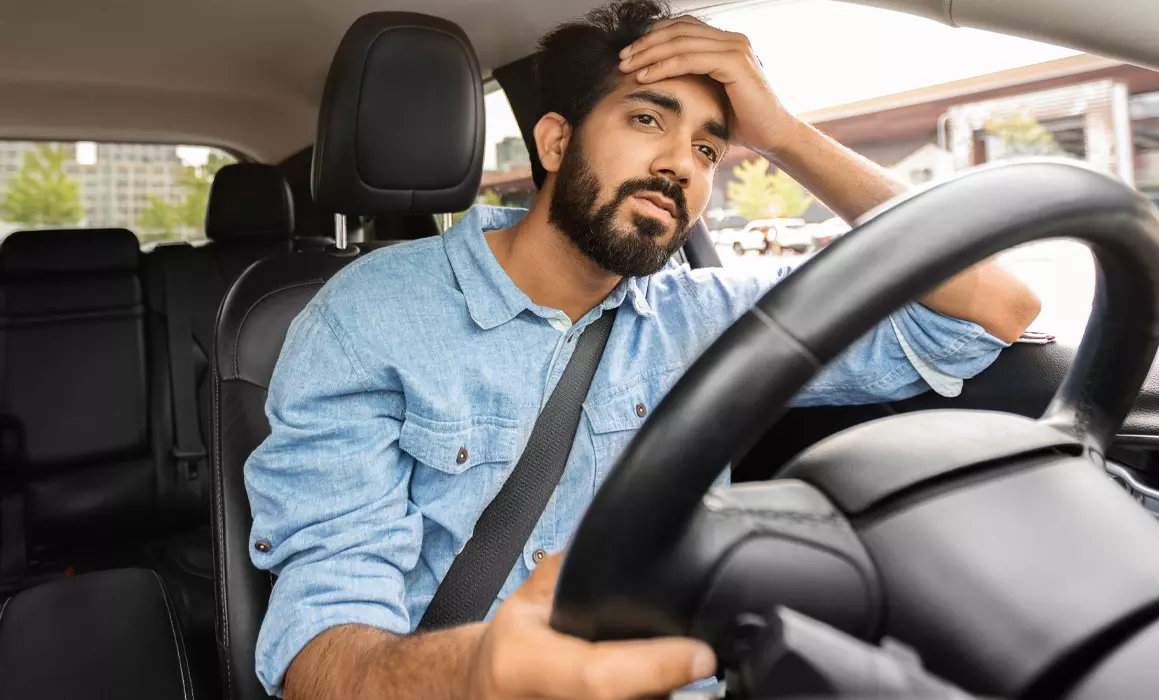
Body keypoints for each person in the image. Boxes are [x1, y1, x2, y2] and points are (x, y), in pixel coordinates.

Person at [247, 1, 1042, 697]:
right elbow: (320, 654)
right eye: (647, 120)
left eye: (708, 149)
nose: (678, 165)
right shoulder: (369, 316)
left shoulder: (709, 317)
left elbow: (990, 307)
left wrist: (784, 136)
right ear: (553, 142)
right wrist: (475, 672)